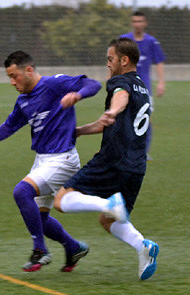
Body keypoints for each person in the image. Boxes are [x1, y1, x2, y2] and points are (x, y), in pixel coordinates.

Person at [0, 50, 102, 272]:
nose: (12, 82)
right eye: (9, 77)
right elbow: (9, 126)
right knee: (39, 220)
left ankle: (40, 251)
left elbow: (93, 84)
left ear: (29, 70)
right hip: (43, 160)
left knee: (21, 192)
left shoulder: (55, 84)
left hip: (62, 158)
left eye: (14, 76)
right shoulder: (23, 101)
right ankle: (74, 248)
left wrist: (77, 95)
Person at [54, 38, 159, 280]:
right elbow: (113, 124)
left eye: (110, 59)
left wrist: (112, 110)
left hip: (113, 159)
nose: (108, 65)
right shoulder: (141, 87)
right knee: (108, 220)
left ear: (124, 60)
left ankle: (107, 203)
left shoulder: (120, 82)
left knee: (61, 199)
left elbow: (119, 100)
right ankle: (144, 247)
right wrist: (80, 130)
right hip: (136, 166)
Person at [120, 11, 166, 159]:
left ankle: (143, 151)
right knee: (124, 118)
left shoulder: (151, 41)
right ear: (132, 23)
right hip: (126, 86)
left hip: (144, 88)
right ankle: (124, 149)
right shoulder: (125, 40)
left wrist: (161, 82)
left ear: (144, 23)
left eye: (140, 21)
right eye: (135, 21)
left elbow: (159, 62)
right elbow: (115, 60)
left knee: (145, 118)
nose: (138, 24)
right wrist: (112, 79)